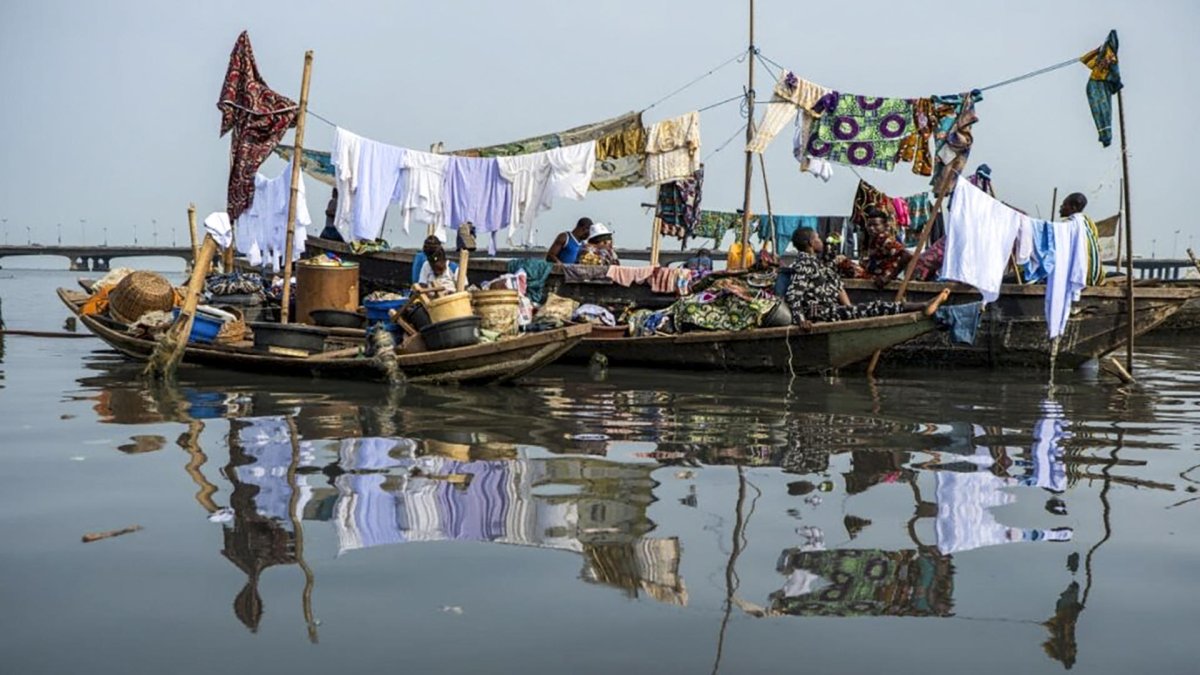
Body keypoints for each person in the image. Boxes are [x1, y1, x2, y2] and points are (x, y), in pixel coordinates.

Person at [785, 227, 949, 330]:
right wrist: (801, 320)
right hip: (822, 314)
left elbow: (834, 283)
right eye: (817, 238)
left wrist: (849, 310)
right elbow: (793, 295)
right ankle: (923, 305)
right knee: (876, 307)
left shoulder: (815, 262)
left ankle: (922, 306)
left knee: (869, 307)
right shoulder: (804, 264)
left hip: (831, 309)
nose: (820, 241)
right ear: (810, 243)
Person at [1058, 192, 1106, 285]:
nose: (1061, 207)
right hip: (1097, 277)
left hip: (1081, 276)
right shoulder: (1089, 222)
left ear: (1073, 208)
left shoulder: (1067, 225)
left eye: (1064, 204)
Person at [862, 207, 912, 288]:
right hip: (872, 275)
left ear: (885, 226)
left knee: (841, 260)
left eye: (875, 225)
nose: (871, 228)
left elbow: (907, 255)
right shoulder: (872, 240)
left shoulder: (883, 239)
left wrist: (888, 276)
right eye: (869, 225)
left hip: (879, 278)